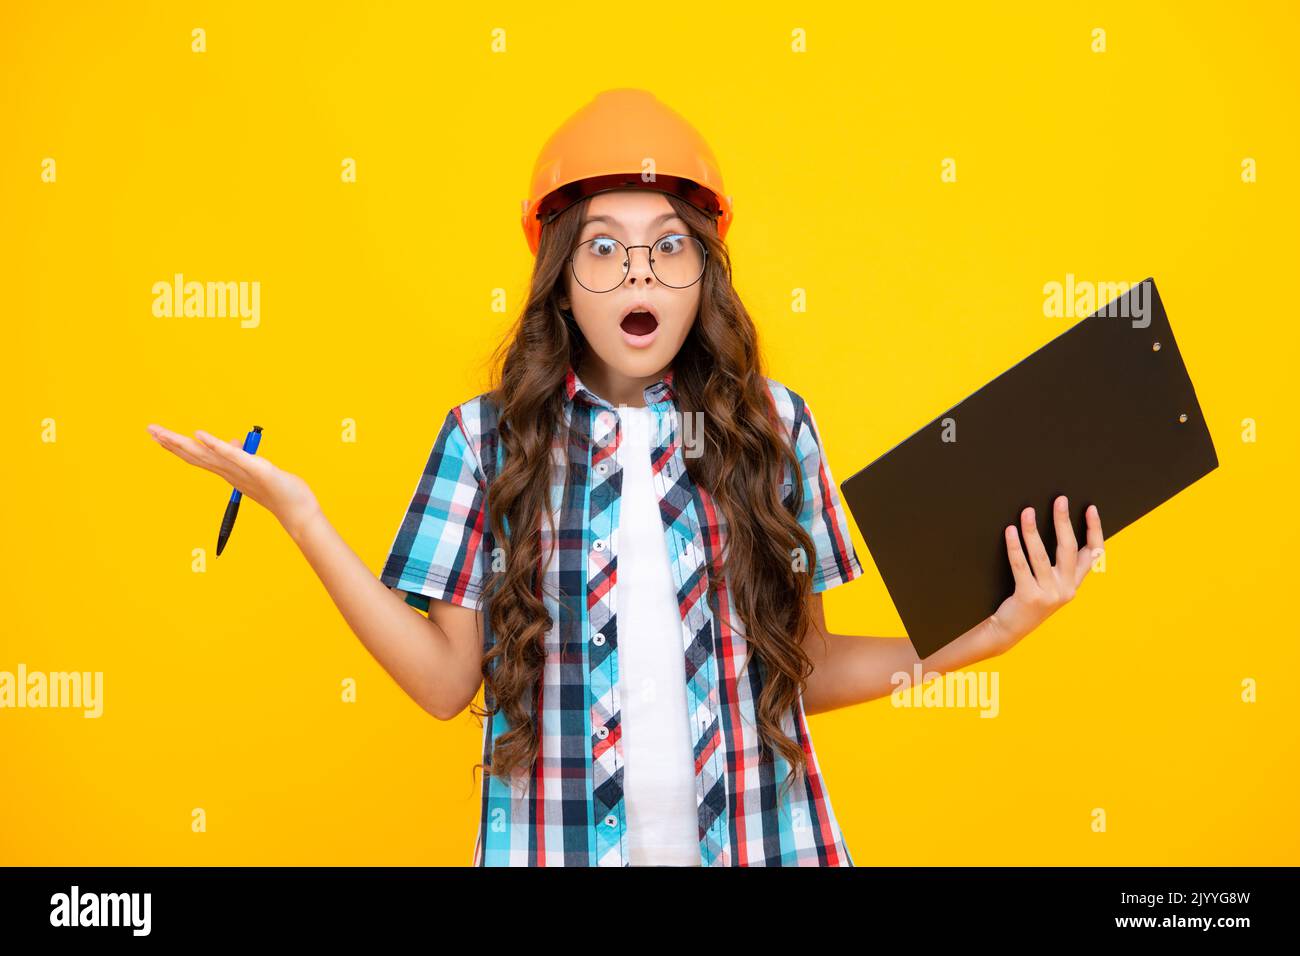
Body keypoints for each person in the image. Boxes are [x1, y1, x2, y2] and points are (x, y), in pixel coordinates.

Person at [146, 88, 1105, 867]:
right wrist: (302, 515)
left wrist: (984, 637)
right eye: (602, 249)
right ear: (560, 279)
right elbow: (445, 686)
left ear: (704, 276)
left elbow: (795, 676)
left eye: (668, 247)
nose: (636, 275)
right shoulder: (488, 441)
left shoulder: (774, 426)